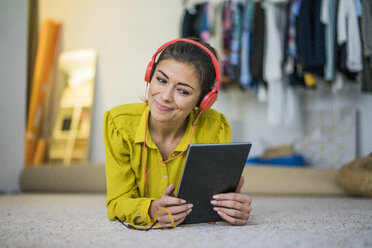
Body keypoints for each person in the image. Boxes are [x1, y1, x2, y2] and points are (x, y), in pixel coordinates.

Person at [103, 38, 252, 228]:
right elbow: (116, 203)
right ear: (149, 75)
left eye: (183, 91)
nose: (165, 96)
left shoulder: (216, 128)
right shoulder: (119, 124)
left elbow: (212, 206)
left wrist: (232, 207)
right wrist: (151, 209)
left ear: (203, 100)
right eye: (161, 80)